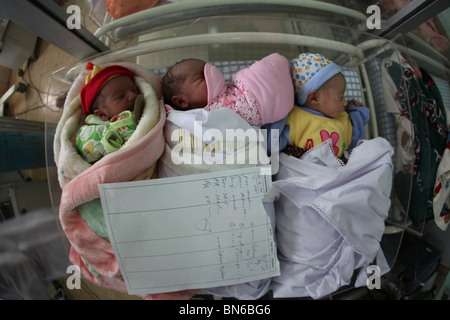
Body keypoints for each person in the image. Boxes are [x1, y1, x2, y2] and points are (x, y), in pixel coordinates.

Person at [266, 52, 370, 159]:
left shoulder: (343, 117)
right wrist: (280, 110)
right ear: (314, 98)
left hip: (338, 172)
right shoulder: (294, 119)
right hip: (304, 171)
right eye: (340, 97)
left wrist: (356, 109)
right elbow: (270, 143)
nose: (345, 102)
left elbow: (356, 139)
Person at [161, 53, 294, 127]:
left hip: (245, 90)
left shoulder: (219, 92)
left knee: (264, 71)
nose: (213, 74)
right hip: (257, 105)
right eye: (202, 76)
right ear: (182, 101)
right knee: (266, 71)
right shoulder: (196, 118)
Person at [76, 62, 141, 163]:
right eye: (120, 96)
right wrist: (123, 125)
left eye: (134, 89)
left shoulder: (144, 109)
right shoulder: (95, 130)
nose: (132, 95)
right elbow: (86, 153)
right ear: (102, 114)